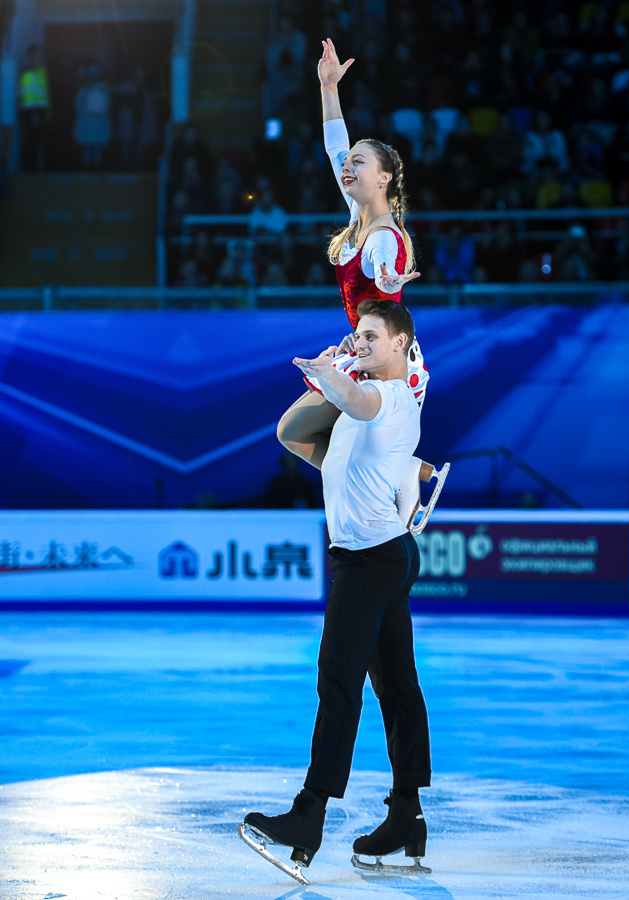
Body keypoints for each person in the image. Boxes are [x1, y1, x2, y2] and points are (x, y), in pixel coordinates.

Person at [240, 300, 431, 882]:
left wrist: (338, 380)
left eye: (372, 336)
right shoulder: (353, 412)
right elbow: (291, 435)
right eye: (357, 335)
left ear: (401, 344)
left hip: (369, 561)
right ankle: (406, 818)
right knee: (396, 687)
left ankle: (309, 816)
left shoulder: (391, 399)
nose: (362, 343)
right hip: (386, 555)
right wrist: (324, 374)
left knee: (338, 680)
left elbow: (363, 399)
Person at [276, 38, 444, 530]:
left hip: (384, 361)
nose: (347, 166)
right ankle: (404, 474)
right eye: (349, 164)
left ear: (386, 177)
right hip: (365, 347)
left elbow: (385, 283)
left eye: (360, 163)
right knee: (299, 436)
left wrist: (389, 282)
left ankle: (399, 477)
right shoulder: (357, 216)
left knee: (295, 430)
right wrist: (328, 87)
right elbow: (333, 146)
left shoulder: (384, 240)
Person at [18, 45, 50, 172]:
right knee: (31, 142)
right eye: (39, 53)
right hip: (32, 112)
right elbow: (28, 94)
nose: (42, 56)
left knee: (37, 143)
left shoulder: (41, 70)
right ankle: (29, 172)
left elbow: (43, 93)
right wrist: (33, 114)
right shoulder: (28, 71)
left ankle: (34, 170)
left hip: (40, 111)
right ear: (31, 56)